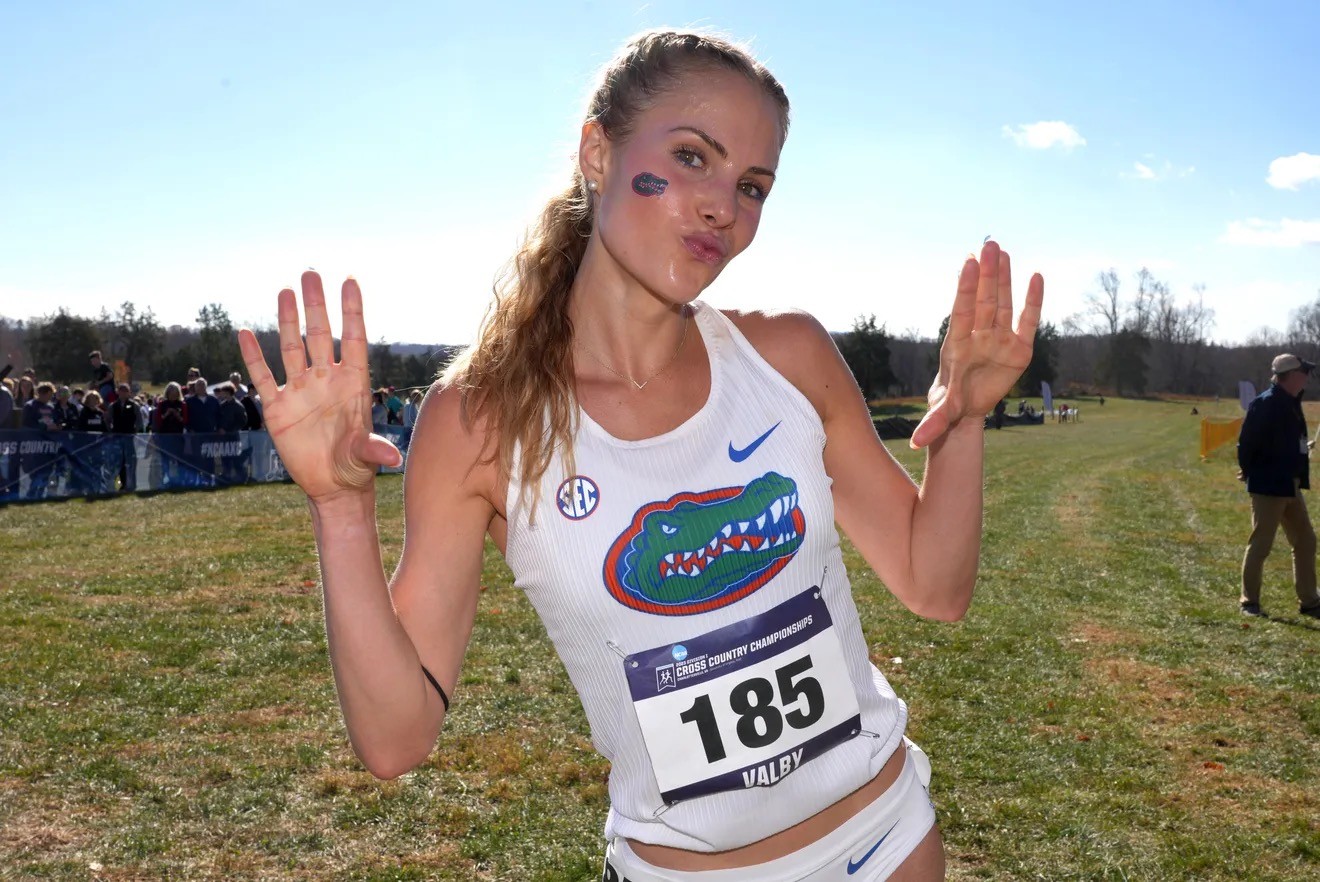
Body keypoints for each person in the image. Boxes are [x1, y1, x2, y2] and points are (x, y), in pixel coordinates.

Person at [237, 30, 1044, 881]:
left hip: (884, 843)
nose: (723, 207)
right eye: (692, 157)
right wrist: (339, 508)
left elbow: (935, 585)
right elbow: (397, 739)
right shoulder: (480, 424)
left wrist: (964, 423)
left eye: (753, 186)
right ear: (598, 150)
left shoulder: (790, 358)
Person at [1236, 353, 1320, 619]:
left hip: (1290, 484)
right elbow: (1246, 444)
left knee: (1305, 541)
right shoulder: (1266, 403)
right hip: (1269, 485)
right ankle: (1249, 602)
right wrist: (1250, 472)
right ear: (1291, 375)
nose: (1307, 376)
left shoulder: (1291, 402)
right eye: (1304, 371)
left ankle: (1310, 601)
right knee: (1261, 544)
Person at [108, 382, 141, 492]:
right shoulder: (113, 406)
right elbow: (107, 420)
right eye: (121, 391)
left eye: (125, 391)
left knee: (130, 462)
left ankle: (131, 485)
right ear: (118, 392)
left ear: (129, 392)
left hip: (129, 437)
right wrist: (111, 431)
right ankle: (120, 485)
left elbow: (139, 421)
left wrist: (134, 431)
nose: (123, 393)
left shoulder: (134, 405)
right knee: (118, 462)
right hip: (116, 438)